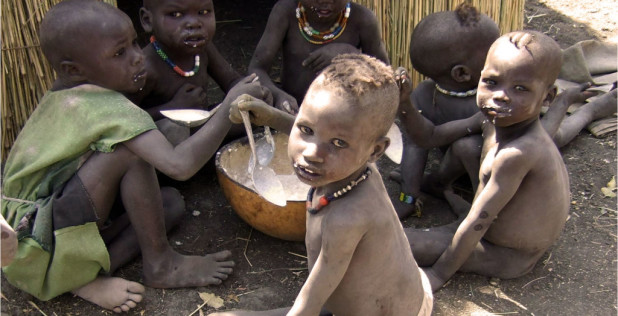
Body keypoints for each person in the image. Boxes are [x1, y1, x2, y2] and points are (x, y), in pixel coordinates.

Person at [1, 1, 267, 313]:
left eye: (132, 44)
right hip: (29, 242)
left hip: (45, 224)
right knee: (130, 151)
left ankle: (88, 274)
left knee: (168, 205)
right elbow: (179, 166)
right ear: (74, 69)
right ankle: (159, 264)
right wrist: (226, 110)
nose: (138, 57)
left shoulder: (71, 91)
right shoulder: (110, 109)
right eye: (119, 53)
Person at [211, 54, 433, 315]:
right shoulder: (359, 167)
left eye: (338, 144)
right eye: (306, 130)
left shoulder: (347, 217)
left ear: (375, 151)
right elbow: (326, 128)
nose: (312, 153)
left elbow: (310, 304)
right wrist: (270, 117)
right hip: (388, 295)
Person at [405, 30, 580, 291]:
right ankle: (441, 191)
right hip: (491, 225)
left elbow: (479, 222)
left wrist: (439, 274)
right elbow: (430, 136)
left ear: (547, 97)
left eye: (520, 88)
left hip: (507, 254)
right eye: (491, 82)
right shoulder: (492, 119)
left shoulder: (517, 154)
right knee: (465, 146)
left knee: (397, 242)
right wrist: (403, 100)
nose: (501, 95)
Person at [391, 3, 500, 219]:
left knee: (468, 147)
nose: (501, 53)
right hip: (451, 167)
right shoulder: (424, 94)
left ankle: (485, 208)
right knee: (415, 138)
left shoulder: (499, 94)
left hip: (492, 173)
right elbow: (419, 142)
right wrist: (408, 196)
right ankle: (413, 195)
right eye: (493, 51)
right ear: (461, 74)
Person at [128, 0, 262, 144]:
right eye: (176, 14)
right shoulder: (145, 67)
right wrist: (171, 108)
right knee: (174, 130)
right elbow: (125, 119)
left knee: (255, 110)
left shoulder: (203, 50)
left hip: (203, 127)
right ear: (148, 20)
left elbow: (231, 81)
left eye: (203, 12)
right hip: (170, 148)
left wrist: (252, 93)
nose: (194, 23)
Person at [247, 0, 389, 114]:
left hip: (345, 119)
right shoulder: (285, 12)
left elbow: (385, 79)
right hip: (293, 113)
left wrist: (350, 54)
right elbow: (257, 69)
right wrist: (278, 95)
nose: (325, 1)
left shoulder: (363, 20)